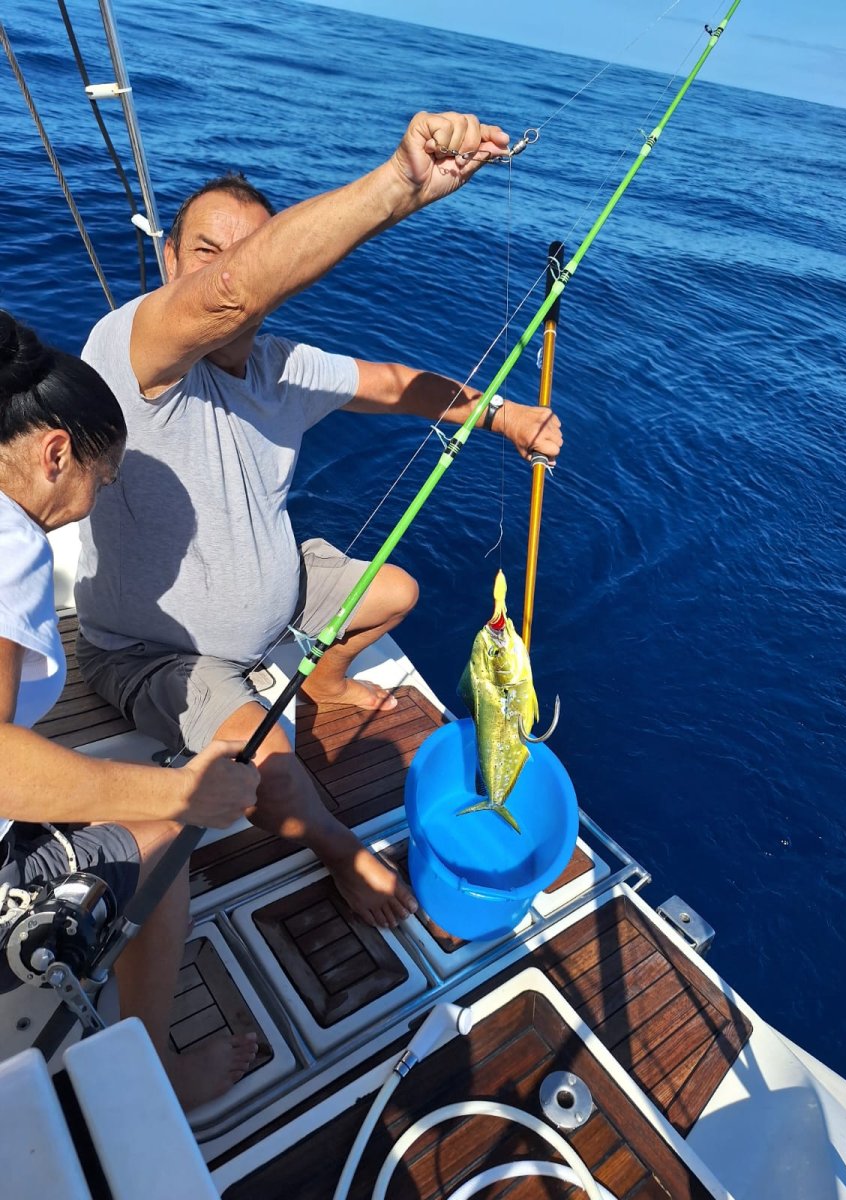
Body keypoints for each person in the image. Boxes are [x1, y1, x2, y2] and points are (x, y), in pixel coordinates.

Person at [74, 110, 563, 930]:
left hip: (278, 591)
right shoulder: (133, 351)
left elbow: (395, 383)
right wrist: (400, 186)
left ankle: (324, 681)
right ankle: (341, 853)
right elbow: (231, 295)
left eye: (254, 251)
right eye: (205, 250)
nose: (229, 268)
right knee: (269, 773)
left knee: (397, 592)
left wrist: (503, 416)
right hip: (158, 652)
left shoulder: (281, 364)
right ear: (169, 260)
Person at [0, 310, 262, 1111]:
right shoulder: (10, 540)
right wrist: (185, 797)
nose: (93, 505)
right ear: (55, 456)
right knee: (170, 845)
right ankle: (159, 1084)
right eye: (101, 480)